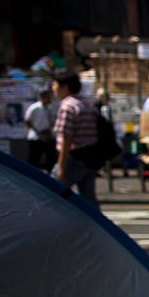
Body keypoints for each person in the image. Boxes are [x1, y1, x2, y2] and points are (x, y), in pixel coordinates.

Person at [51, 73, 98, 207]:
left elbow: (67, 137)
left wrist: (61, 166)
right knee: (88, 197)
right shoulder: (87, 104)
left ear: (65, 87)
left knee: (52, 192)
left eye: (54, 84)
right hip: (89, 156)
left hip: (73, 157)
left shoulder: (67, 107)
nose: (53, 88)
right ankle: (96, 225)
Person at [24, 87, 55, 170]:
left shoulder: (49, 108)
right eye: (49, 97)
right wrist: (36, 131)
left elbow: (52, 122)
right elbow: (27, 120)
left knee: (50, 158)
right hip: (36, 137)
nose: (50, 99)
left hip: (47, 136)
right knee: (34, 158)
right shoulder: (34, 107)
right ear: (44, 97)